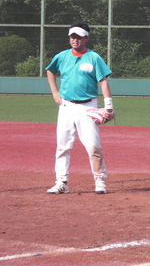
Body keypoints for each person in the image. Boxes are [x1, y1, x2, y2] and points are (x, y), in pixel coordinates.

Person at [45, 21, 114, 194]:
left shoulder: (94, 58)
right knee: (63, 146)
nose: (75, 40)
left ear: (86, 38)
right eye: (72, 36)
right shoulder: (62, 56)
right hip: (66, 106)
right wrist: (55, 92)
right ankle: (61, 182)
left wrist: (108, 106)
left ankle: (100, 181)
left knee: (93, 145)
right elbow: (50, 70)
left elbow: (103, 81)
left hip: (88, 107)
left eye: (78, 37)